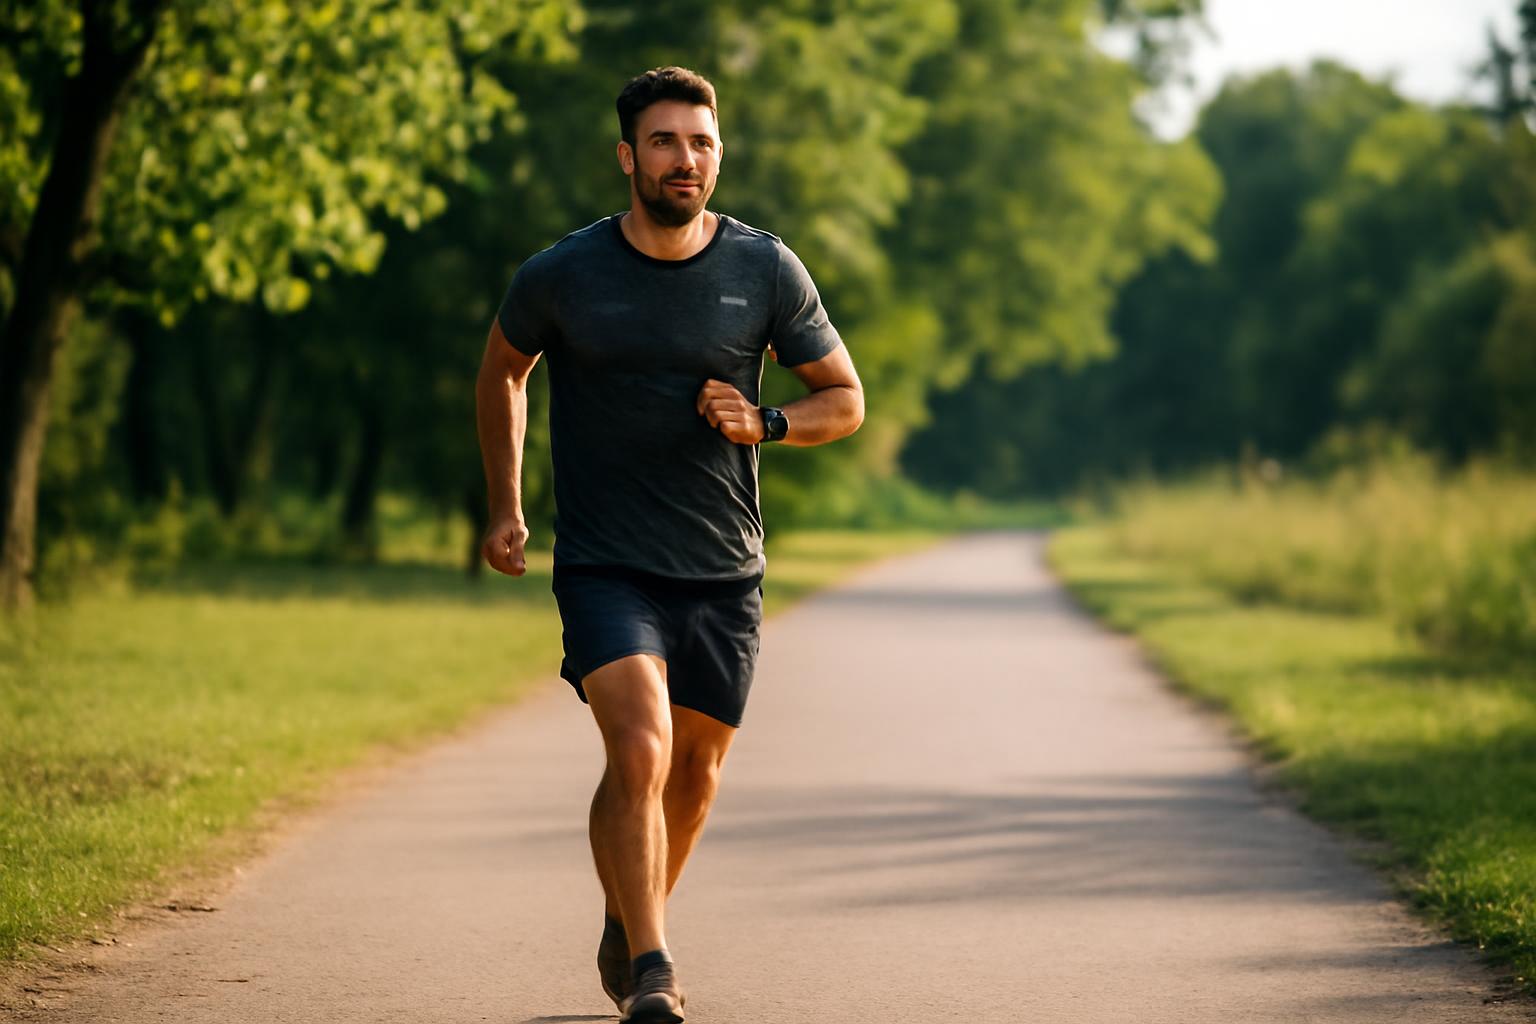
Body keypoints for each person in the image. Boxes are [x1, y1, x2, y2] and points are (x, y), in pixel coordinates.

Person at [474, 65, 864, 1024]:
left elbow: (844, 400)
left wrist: (767, 424)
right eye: (664, 141)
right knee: (641, 747)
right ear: (627, 157)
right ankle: (654, 966)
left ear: (718, 156)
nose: (684, 159)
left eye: (701, 143)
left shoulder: (764, 269)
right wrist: (506, 504)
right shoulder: (564, 273)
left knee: (694, 775)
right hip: (607, 562)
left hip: (724, 569)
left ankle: (626, 917)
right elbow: (503, 372)